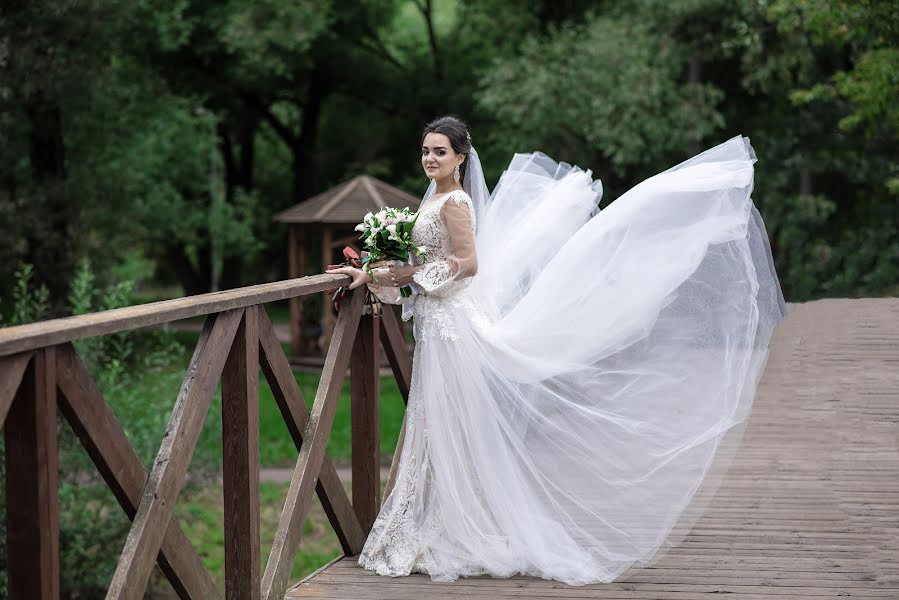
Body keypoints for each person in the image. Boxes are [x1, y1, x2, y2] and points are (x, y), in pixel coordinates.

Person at [327, 115, 786, 585]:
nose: (430, 159)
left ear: (461, 157)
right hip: (436, 324)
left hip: (453, 329)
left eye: (440, 151)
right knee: (436, 423)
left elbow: (467, 264)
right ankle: (440, 525)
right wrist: (378, 272)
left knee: (453, 426)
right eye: (426, 151)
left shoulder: (457, 202)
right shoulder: (435, 199)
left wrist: (402, 278)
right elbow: (429, 261)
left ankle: (458, 529)